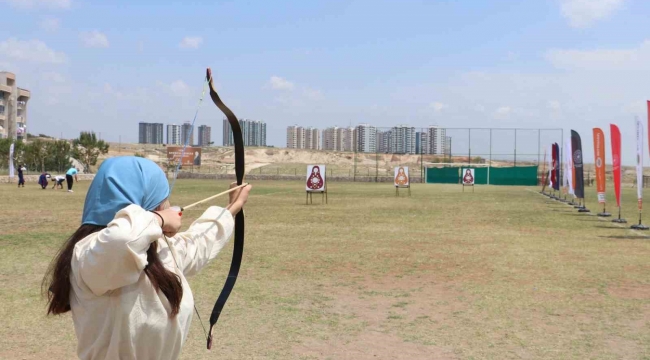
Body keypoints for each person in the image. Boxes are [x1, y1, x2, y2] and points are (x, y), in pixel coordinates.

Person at [42, 157, 251, 360]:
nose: (168, 203)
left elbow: (197, 243)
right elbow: (122, 237)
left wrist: (231, 208)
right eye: (163, 198)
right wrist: (159, 219)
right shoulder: (91, 254)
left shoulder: (157, 248)